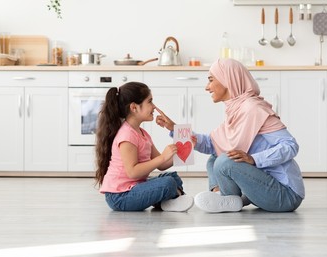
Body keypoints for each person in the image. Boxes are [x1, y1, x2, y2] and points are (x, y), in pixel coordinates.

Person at [156, 58, 305, 213]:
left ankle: (226, 197)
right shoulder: (236, 109)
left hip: (285, 194)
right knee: (215, 159)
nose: (207, 87)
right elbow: (212, 144)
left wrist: (254, 159)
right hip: (264, 186)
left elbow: (290, 146)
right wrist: (174, 127)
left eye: (211, 80)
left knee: (224, 161)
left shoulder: (254, 108)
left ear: (227, 80)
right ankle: (221, 195)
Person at [95, 81, 193, 212]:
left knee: (172, 177)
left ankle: (170, 200)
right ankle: (173, 199)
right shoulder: (127, 135)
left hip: (133, 187)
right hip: (120, 197)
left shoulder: (143, 134)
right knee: (168, 183)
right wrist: (163, 157)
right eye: (150, 101)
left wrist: (183, 146)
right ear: (134, 107)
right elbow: (133, 172)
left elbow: (162, 165)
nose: (154, 107)